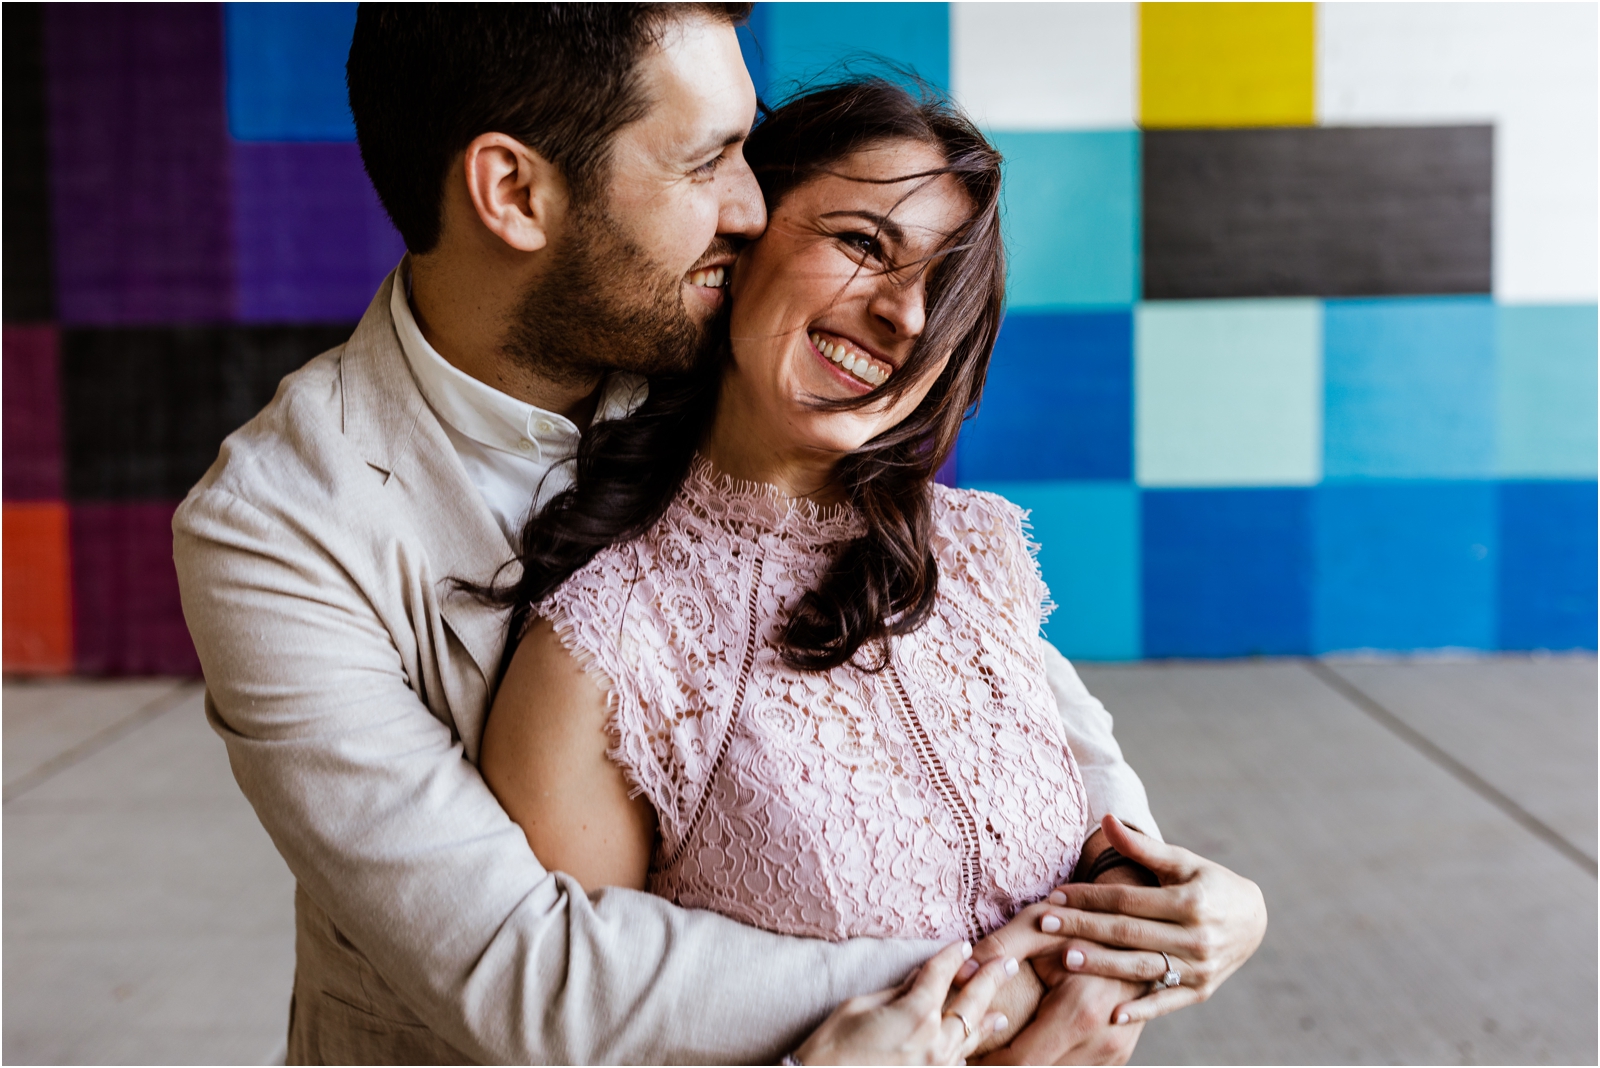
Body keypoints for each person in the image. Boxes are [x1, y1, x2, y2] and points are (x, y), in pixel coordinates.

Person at [173, 5, 1266, 1064]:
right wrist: (999, 977)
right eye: (708, 163)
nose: (752, 209)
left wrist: (1149, 901)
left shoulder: (736, 346)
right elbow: (522, 972)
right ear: (512, 191)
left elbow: (1010, 694)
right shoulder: (273, 533)